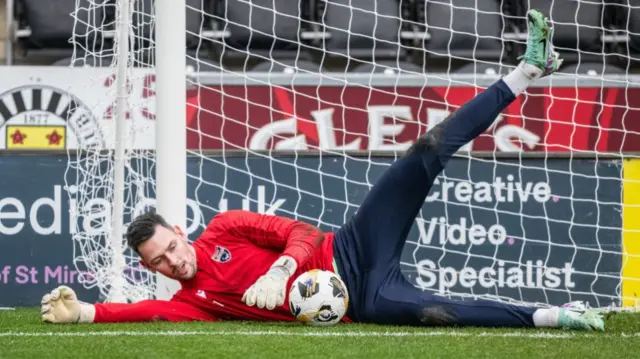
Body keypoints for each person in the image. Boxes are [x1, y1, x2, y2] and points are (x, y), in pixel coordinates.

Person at [40, 9, 605, 331]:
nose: (171, 259)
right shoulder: (190, 303)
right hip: (362, 300)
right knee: (438, 313)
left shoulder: (223, 229)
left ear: (181, 233)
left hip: (354, 248)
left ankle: (530, 68)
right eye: (158, 261)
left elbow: (301, 233)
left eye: (169, 246)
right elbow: (135, 312)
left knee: (423, 152)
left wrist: (280, 271)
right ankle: (554, 317)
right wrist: (84, 312)